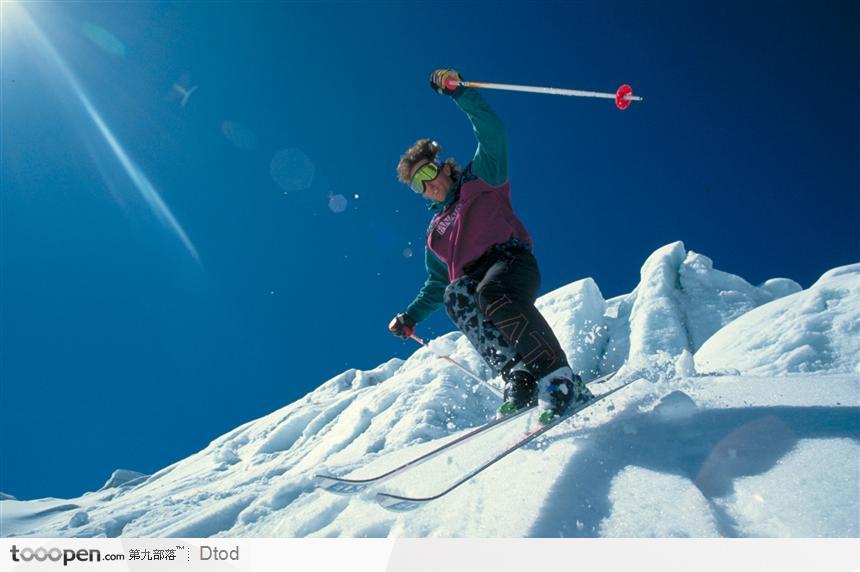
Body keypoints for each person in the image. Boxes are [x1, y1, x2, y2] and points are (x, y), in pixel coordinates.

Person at [388, 69, 593, 424]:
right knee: (456, 294)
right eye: (417, 185)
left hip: (509, 262)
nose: (427, 185)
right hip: (474, 285)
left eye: (428, 174)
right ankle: (521, 377)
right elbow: (437, 285)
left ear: (443, 168)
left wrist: (460, 93)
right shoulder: (435, 232)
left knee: (490, 290)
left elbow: (492, 132)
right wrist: (411, 316)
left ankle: (558, 377)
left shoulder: (480, 178)